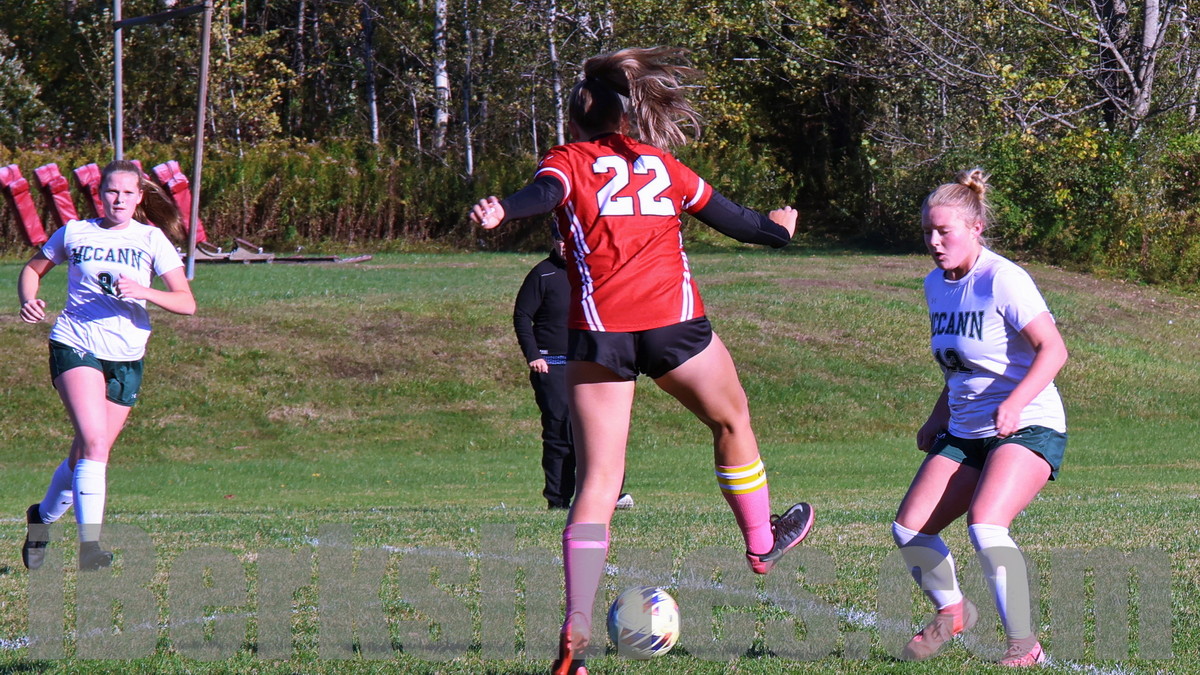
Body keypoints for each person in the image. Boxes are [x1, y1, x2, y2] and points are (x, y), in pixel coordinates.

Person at [469, 47, 815, 675]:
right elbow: (743, 224)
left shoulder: (567, 161)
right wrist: (781, 229)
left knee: (599, 480)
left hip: (600, 335)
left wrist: (502, 210)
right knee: (732, 421)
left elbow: (542, 195)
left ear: (576, 117)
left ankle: (575, 627)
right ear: (628, 115)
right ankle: (762, 543)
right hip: (674, 327)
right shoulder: (662, 166)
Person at [892, 169, 1067, 667]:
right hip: (966, 428)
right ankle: (953, 611)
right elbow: (963, 366)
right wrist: (937, 416)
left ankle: (1024, 645)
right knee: (910, 531)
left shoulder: (1003, 279)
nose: (934, 241)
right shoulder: (935, 284)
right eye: (927, 231)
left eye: (944, 231)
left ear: (975, 228)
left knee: (986, 525)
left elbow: (1053, 350)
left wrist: (1015, 404)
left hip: (1028, 423)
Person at [19, 159, 196, 571]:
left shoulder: (151, 239)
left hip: (127, 355)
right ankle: (90, 547)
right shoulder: (75, 232)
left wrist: (144, 292)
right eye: (111, 191)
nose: (118, 199)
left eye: (127, 193)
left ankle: (41, 519)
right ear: (100, 194)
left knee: (85, 453)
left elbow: (186, 303)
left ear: (139, 197)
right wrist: (28, 299)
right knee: (95, 443)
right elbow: (33, 268)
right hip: (75, 343)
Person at [513, 235, 636, 511]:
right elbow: (522, 316)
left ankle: (610, 494)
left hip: (590, 363)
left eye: (569, 239)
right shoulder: (542, 274)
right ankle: (558, 500)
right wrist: (534, 355)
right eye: (559, 240)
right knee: (560, 431)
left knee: (602, 430)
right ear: (553, 242)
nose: (564, 245)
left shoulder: (594, 271)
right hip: (552, 364)